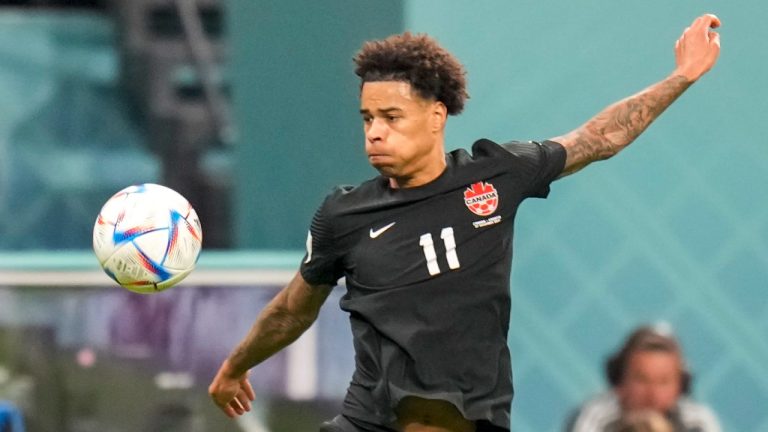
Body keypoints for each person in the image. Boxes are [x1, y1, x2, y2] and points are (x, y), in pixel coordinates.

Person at [209, 14, 722, 432]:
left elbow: (598, 138)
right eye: (367, 118)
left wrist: (680, 77)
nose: (374, 133)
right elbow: (291, 311)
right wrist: (235, 366)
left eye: (391, 117)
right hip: (368, 420)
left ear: (436, 116)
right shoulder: (343, 215)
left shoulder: (496, 176)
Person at [565, 325, 722, 432]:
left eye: (663, 382)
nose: (652, 394)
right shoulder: (595, 417)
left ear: (681, 386)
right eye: (642, 380)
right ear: (619, 382)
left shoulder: (698, 422)